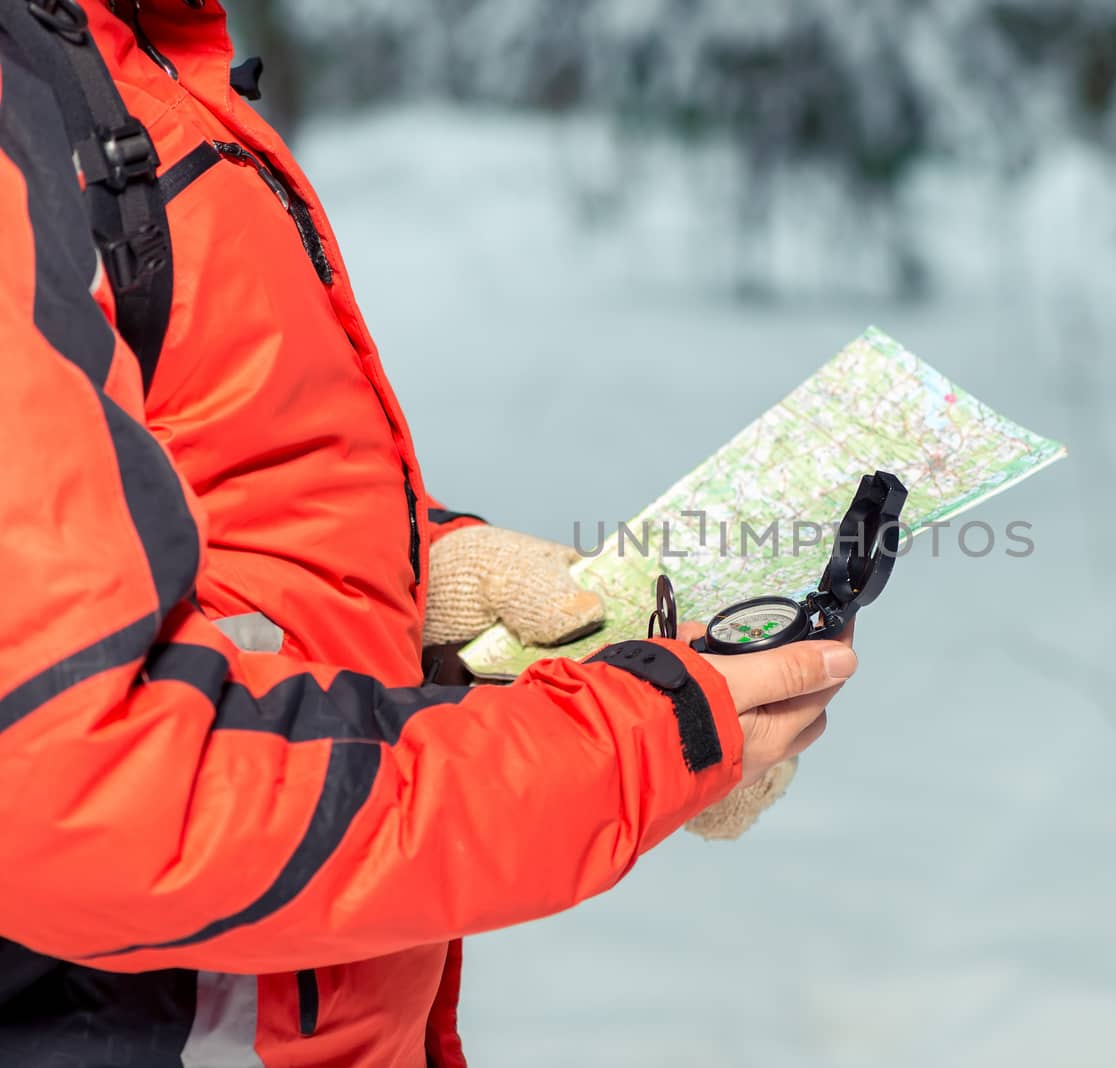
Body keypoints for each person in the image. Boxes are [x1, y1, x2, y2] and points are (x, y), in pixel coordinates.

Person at [0, 1, 854, 1064]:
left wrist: (421, 577)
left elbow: (164, 470)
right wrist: (622, 750)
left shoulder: (123, 53)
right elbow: (89, 797)